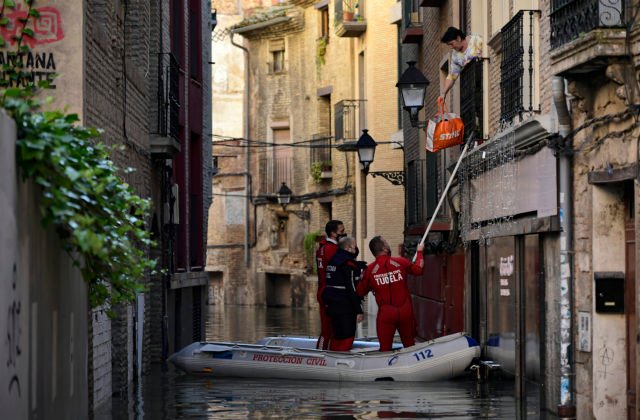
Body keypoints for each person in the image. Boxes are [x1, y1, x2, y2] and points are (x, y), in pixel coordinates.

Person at [356, 236, 425, 352]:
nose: (388, 244)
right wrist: (419, 252)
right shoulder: (400, 262)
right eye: (386, 242)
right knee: (410, 346)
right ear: (384, 248)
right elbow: (419, 269)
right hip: (405, 311)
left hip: (386, 314)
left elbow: (360, 291)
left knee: (385, 349)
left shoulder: (369, 270)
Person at [322, 236, 366, 351]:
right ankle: (341, 362)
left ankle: (333, 356)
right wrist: (359, 310)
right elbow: (351, 288)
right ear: (348, 248)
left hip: (331, 304)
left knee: (337, 336)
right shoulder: (347, 264)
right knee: (347, 336)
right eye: (354, 246)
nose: (355, 248)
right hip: (345, 306)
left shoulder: (333, 260)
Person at [315, 220, 346, 349]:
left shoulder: (322, 248)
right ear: (333, 233)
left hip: (324, 290)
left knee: (328, 327)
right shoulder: (332, 250)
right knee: (328, 328)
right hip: (330, 293)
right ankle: (320, 355)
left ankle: (326, 352)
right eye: (342, 231)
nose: (344, 234)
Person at [439, 26, 483, 101]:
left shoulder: (476, 40)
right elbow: (452, 75)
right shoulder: (455, 56)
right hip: (473, 89)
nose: (451, 47)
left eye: (452, 44)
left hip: (483, 81)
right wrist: (443, 94)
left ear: (458, 38)